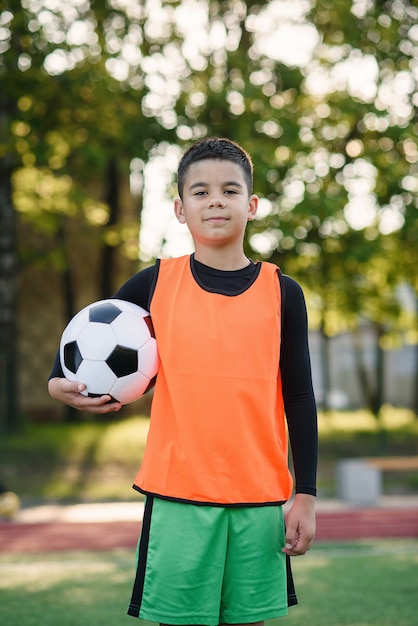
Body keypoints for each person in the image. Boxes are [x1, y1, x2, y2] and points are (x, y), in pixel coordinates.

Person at [48, 137, 318, 626]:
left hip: (259, 496)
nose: (215, 200)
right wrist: (55, 382)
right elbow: (88, 337)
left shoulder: (284, 292)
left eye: (229, 190)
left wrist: (308, 494)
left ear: (251, 205)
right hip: (178, 496)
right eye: (200, 191)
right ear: (179, 208)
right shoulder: (154, 284)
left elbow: (299, 395)